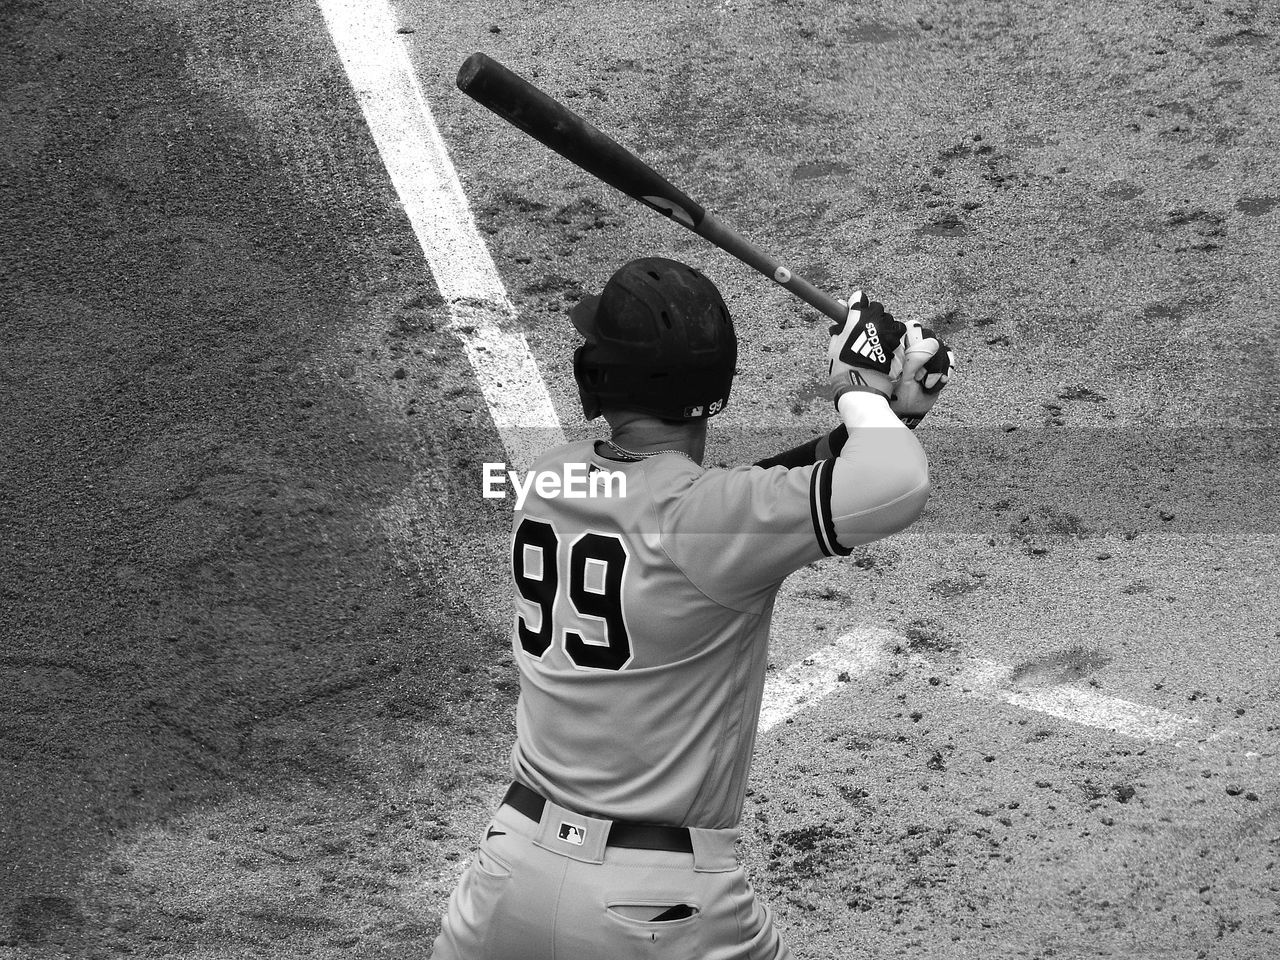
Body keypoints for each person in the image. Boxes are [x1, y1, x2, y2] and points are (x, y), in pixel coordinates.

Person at [431, 257, 954, 959]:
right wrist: (859, 395)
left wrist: (883, 419)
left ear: (598, 379)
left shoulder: (545, 479)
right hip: (659, 909)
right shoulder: (710, 523)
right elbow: (890, 485)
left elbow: (744, 500)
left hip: (505, 879)